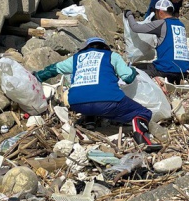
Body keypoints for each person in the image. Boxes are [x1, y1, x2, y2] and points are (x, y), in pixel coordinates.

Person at [33, 37, 161, 152]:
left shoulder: (77, 58)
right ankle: (142, 139)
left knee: (90, 96)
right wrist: (133, 70)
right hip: (108, 101)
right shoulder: (111, 56)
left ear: (86, 48)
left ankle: (90, 121)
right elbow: (127, 77)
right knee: (142, 112)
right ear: (104, 47)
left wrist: (37, 77)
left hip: (77, 103)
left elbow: (53, 69)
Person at [124, 0, 189, 84]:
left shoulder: (162, 23)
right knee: (145, 65)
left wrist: (129, 15)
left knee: (132, 70)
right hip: (184, 72)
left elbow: (135, 27)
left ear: (160, 12)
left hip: (166, 71)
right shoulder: (181, 25)